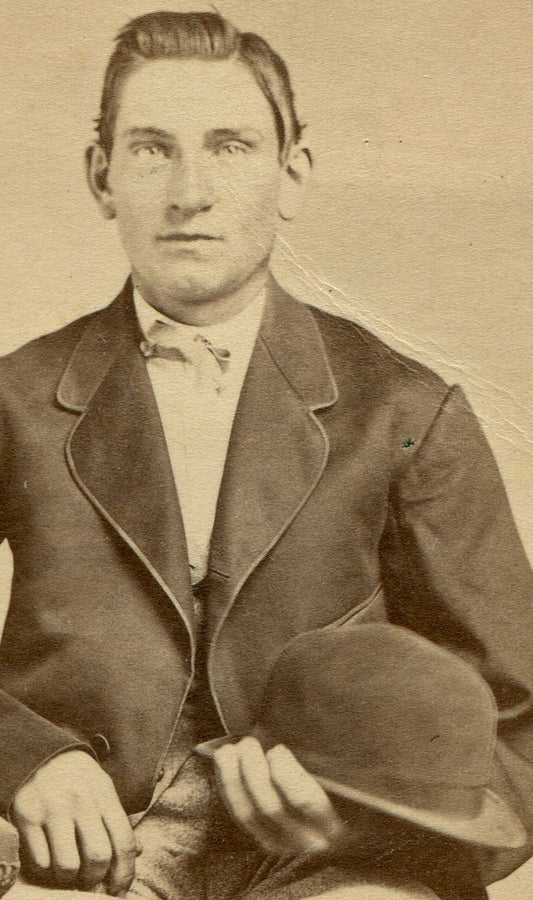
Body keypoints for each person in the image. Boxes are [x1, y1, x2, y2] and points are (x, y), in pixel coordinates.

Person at [0, 10, 533, 900]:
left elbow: (521, 719)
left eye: (231, 146)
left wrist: (384, 835)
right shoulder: (15, 398)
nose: (189, 191)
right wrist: (23, 758)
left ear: (291, 174)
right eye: (151, 149)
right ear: (101, 178)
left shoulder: (407, 408)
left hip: (335, 861)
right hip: (80, 856)